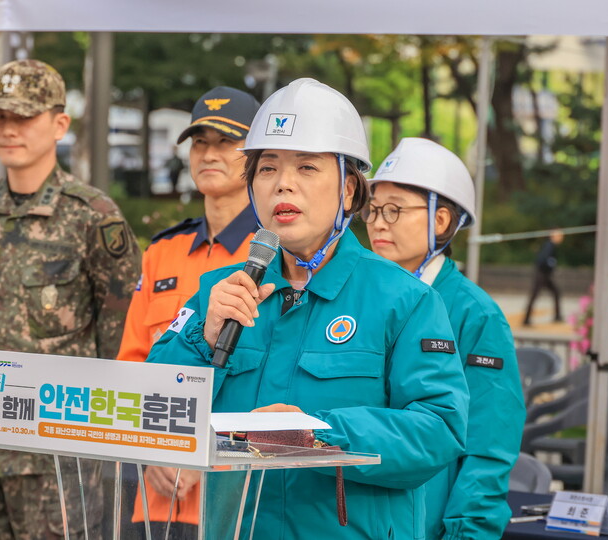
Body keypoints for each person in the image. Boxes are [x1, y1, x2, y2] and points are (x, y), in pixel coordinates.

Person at [145, 78, 469, 539]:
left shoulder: (404, 299)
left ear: (349, 190)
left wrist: (313, 434)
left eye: (307, 167)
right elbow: (151, 407)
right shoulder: (220, 292)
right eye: (267, 168)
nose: (283, 184)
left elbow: (438, 429)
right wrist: (204, 339)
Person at [0, 59, 141, 540]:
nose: (9, 129)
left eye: (24, 116)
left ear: (59, 124)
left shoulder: (92, 217)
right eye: (0, 117)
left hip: (55, 454)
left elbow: (118, 337)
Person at [364, 137, 526, 539]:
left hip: (429, 525)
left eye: (395, 209)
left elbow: (489, 445)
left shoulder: (476, 313)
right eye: (373, 209)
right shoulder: (361, 297)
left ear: (440, 221)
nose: (378, 222)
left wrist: (465, 534)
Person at [118, 86, 261, 537]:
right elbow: (132, 365)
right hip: (158, 497)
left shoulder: (273, 257)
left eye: (226, 141)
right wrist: (150, 451)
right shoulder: (162, 252)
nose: (209, 154)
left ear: (256, 155)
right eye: (200, 142)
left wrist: (208, 451)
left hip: (238, 499)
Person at [523, 229, 565, 325]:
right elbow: (542, 260)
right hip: (542, 275)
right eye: (560, 236)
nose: (561, 238)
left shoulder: (551, 245)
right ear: (554, 236)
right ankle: (526, 319)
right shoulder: (549, 245)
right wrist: (551, 266)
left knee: (556, 292)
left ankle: (557, 316)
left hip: (545, 275)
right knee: (534, 296)